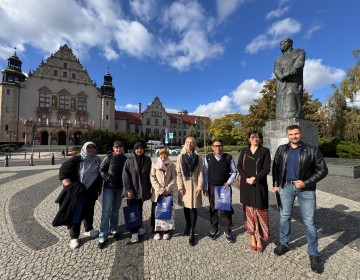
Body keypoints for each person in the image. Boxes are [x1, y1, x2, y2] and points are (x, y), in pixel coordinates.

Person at [272, 125, 328, 274]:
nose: (294, 136)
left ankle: (313, 253)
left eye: (296, 133)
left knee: (309, 222)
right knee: (284, 216)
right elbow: (276, 166)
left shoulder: (312, 150)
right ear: (287, 135)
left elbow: (323, 169)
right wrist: (276, 184)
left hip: (306, 189)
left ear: (300, 134)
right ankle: (284, 243)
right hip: (286, 187)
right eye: (291, 134)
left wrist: (306, 182)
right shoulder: (282, 150)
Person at [58, 141, 102, 249]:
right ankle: (74, 237)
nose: (91, 150)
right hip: (78, 193)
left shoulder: (97, 160)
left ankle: (88, 229)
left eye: (93, 148)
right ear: (84, 148)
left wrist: (99, 188)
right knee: (76, 213)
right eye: (89, 148)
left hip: (91, 191)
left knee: (89, 210)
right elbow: (63, 173)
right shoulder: (77, 159)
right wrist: (70, 188)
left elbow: (100, 175)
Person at [237, 131, 271, 252]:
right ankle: (252, 236)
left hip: (259, 184)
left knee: (260, 209)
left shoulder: (265, 151)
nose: (255, 139)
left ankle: (260, 236)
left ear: (260, 139)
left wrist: (255, 178)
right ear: (249, 139)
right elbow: (239, 166)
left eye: (258, 137)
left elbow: (267, 168)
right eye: (253, 137)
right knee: (249, 210)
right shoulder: (244, 151)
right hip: (247, 185)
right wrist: (247, 178)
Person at [204, 138, 237, 243]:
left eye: (220, 145)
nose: (218, 147)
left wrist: (229, 182)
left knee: (226, 210)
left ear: (222, 146)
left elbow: (234, 171)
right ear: (212, 147)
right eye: (216, 146)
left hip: (224, 187)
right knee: (213, 209)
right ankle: (214, 229)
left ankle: (228, 230)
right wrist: (205, 187)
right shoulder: (208, 158)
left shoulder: (228, 157)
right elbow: (205, 173)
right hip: (212, 187)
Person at [98, 140, 127, 249]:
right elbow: (101, 170)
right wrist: (108, 178)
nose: (118, 149)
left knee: (115, 209)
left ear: (122, 148)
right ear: (113, 148)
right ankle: (103, 235)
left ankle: (113, 228)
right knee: (106, 211)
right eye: (116, 147)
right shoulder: (109, 157)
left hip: (119, 188)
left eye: (120, 147)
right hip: (109, 188)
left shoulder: (124, 159)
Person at [176, 136, 204, 246]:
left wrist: (200, 187)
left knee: (193, 208)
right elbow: (178, 173)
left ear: (194, 144)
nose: (189, 144)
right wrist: (180, 187)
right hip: (184, 186)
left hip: (195, 185)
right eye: (187, 142)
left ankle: (192, 231)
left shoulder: (199, 157)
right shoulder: (180, 157)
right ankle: (187, 225)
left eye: (191, 142)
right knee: (186, 207)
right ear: (185, 143)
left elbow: (201, 173)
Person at [122, 142, 152, 243]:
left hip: (142, 190)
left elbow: (150, 174)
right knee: (132, 211)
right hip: (132, 190)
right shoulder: (129, 160)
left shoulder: (147, 159)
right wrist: (129, 189)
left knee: (139, 209)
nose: (139, 150)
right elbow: (125, 175)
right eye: (137, 148)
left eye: (141, 148)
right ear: (134, 150)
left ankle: (138, 227)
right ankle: (134, 233)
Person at [274, 38, 305, 119]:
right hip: (281, 82)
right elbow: (276, 70)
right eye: (280, 44)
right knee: (281, 99)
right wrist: (281, 76)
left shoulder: (299, 52)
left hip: (293, 81)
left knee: (291, 95)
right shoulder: (278, 59)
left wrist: (290, 72)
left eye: (283, 43)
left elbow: (299, 64)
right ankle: (280, 116)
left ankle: (294, 114)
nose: (281, 45)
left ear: (290, 43)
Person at [150, 148, 177, 240]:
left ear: (167, 155)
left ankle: (166, 230)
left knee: (167, 211)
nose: (163, 156)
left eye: (165, 154)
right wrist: (160, 189)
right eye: (161, 154)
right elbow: (152, 177)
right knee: (156, 211)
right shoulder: (154, 164)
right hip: (157, 193)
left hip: (168, 192)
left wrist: (167, 188)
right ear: (159, 155)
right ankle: (156, 231)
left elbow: (174, 177)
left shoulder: (171, 165)